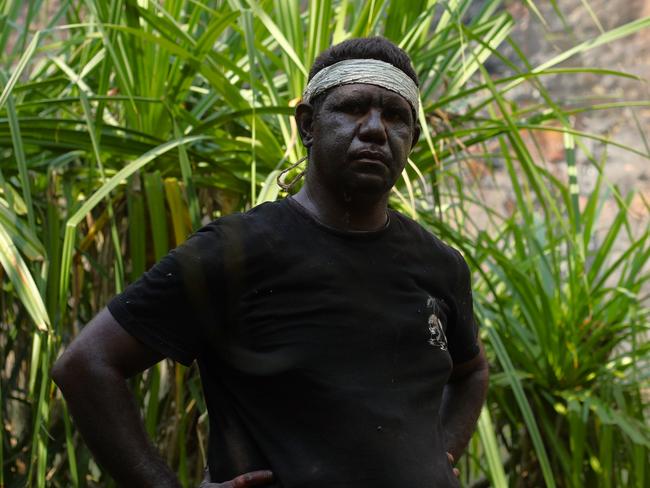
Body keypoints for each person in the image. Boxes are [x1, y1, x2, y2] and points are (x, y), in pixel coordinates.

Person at [52, 37, 488, 488]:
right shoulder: (237, 250)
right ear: (308, 124)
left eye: (396, 116)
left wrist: (443, 452)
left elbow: (471, 370)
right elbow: (86, 364)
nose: (375, 128)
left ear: (412, 140)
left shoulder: (439, 265)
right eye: (353, 107)